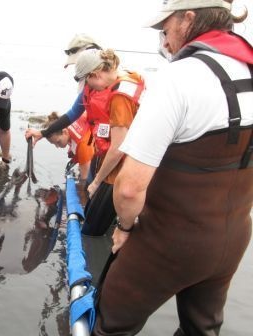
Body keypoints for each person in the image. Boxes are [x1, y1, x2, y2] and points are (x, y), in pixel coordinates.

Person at [93, 1, 253, 335]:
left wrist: (124, 228)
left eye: (165, 31)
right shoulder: (249, 69)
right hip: (233, 238)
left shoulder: (179, 77)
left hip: (169, 241)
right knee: (202, 328)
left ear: (188, 19)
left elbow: (129, 187)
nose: (164, 43)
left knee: (111, 323)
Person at [25, 49, 145, 235]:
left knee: (92, 229)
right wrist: (43, 132)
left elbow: (119, 148)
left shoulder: (121, 97)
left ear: (95, 74)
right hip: (104, 155)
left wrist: (96, 181)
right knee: (90, 207)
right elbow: (72, 114)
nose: (85, 86)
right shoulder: (94, 87)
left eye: (86, 80)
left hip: (122, 164)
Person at [29, 111, 94, 180]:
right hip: (86, 135)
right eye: (54, 144)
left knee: (88, 179)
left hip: (96, 142)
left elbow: (84, 177)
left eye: (58, 142)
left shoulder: (82, 145)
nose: (57, 146)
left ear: (65, 132)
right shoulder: (68, 124)